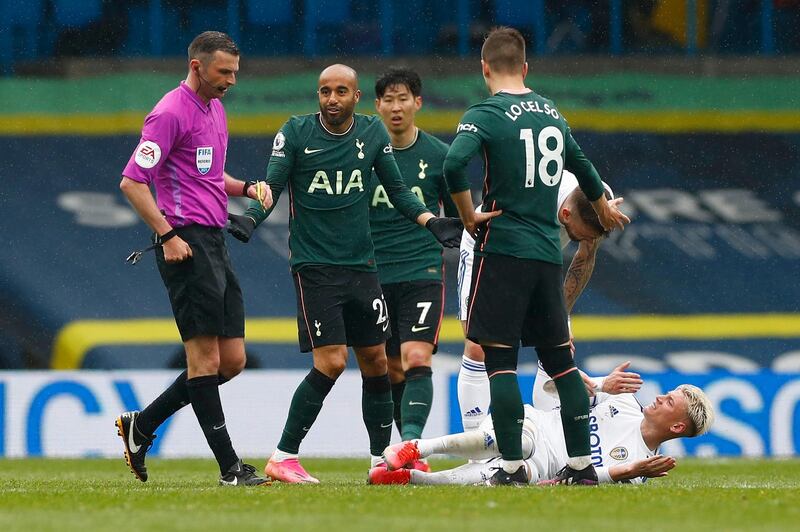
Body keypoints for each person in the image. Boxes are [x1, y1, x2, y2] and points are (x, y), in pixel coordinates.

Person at [226, 64, 496, 483]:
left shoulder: (371, 135)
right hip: (316, 268)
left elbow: (398, 189)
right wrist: (251, 218)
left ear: (354, 97)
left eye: (340, 91)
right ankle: (283, 455)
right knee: (332, 362)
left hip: (363, 268)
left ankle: (378, 461)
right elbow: (273, 186)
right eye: (324, 91)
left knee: (377, 363)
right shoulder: (295, 133)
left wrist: (430, 221)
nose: (331, 98)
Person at [443, 27, 631, 486]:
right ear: (526, 68)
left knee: (500, 362)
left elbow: (452, 165)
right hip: (547, 257)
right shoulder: (551, 112)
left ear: (484, 67)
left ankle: (508, 468)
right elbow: (582, 163)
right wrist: (603, 203)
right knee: (562, 363)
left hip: (503, 251)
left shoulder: (484, 113)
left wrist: (468, 215)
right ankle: (582, 467)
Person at [115, 31, 271, 487]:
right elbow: (132, 181)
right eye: (224, 72)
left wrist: (243, 188)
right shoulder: (167, 112)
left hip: (215, 241)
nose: (232, 81)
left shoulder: (217, 109)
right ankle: (230, 469)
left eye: (236, 73)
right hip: (184, 243)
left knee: (233, 360)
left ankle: (141, 426)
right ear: (197, 66)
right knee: (204, 362)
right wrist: (166, 234)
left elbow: (204, 173)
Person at [457, 171, 626, 431]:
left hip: (542, 256)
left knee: (560, 348)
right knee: (479, 345)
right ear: (567, 214)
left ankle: (551, 442)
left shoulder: (598, 204)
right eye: (582, 235)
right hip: (488, 246)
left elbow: (584, 259)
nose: (583, 241)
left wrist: (559, 318)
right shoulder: (530, 200)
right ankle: (475, 447)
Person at [370, 370, 714, 486]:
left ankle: (409, 478)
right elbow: (552, 388)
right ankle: (417, 449)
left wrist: (627, 472)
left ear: (678, 425)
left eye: (669, 402)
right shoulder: (623, 402)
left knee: (495, 481)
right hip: (535, 425)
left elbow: (586, 478)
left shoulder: (640, 466)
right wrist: (598, 383)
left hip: (545, 466)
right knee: (513, 444)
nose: (660, 397)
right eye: (667, 394)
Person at [369, 67, 459, 460]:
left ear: (417, 103)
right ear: (377, 106)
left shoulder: (440, 156)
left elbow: (457, 218)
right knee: (390, 367)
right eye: (388, 99)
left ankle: (410, 444)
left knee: (417, 357)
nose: (395, 107)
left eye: (403, 98)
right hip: (372, 272)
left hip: (422, 269)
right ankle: (402, 445)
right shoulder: (363, 153)